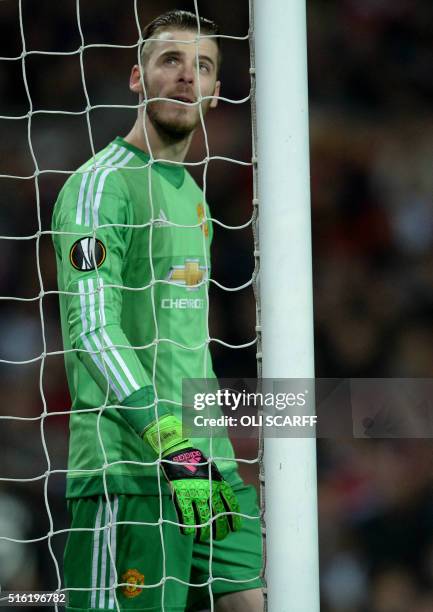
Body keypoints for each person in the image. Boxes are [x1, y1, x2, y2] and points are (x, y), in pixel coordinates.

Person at [52, 9, 263, 612]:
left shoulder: (192, 194)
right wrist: (172, 443)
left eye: (202, 66)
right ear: (137, 78)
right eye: (170, 60)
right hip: (132, 469)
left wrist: (208, 448)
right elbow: (91, 330)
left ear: (216, 92)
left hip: (208, 464)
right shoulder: (100, 186)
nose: (186, 77)